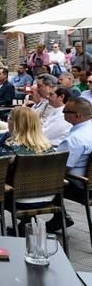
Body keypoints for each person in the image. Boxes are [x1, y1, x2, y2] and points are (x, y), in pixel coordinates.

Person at [47, 98, 92, 233]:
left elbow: (59, 168)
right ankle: (59, 217)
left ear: (77, 115)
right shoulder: (87, 131)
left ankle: (26, 221)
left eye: (65, 112)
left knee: (35, 177)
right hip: (87, 182)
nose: (63, 114)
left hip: (76, 184)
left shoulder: (74, 139)